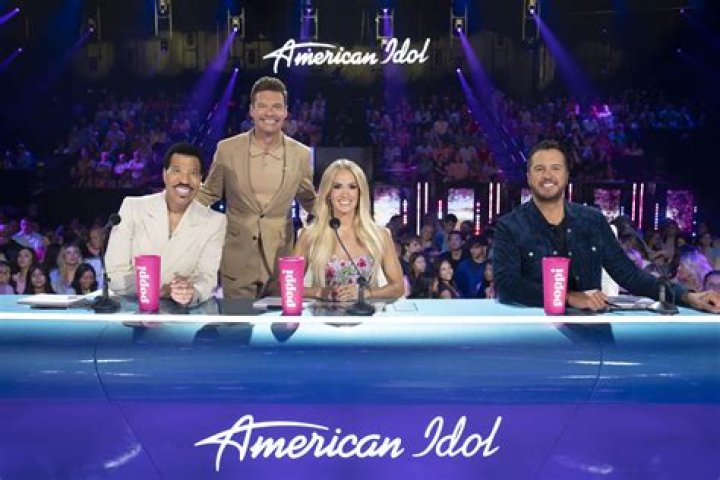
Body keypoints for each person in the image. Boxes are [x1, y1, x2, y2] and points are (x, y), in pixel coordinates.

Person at [492, 139, 720, 313]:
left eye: (555, 168)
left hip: (592, 333)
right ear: (529, 177)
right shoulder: (509, 226)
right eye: (539, 169)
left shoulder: (592, 220)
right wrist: (568, 297)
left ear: (567, 175)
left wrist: (687, 297)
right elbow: (507, 285)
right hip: (533, 332)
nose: (547, 175)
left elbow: (629, 275)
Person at [196, 76, 316, 299]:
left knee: (280, 321)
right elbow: (209, 193)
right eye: (262, 106)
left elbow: (309, 199)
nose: (270, 113)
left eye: (276, 106)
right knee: (238, 321)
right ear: (251, 110)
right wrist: (171, 206)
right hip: (238, 262)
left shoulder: (301, 154)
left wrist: (342, 212)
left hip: (281, 264)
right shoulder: (227, 149)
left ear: (285, 112)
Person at [106, 143, 227, 305]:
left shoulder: (214, 221)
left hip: (181, 313)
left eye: (193, 173)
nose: (185, 180)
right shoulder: (133, 208)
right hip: (131, 308)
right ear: (165, 174)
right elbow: (114, 274)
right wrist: (159, 290)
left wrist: (190, 293)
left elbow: (207, 278)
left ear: (200, 180)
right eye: (177, 171)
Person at [293, 159, 404, 302]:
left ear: (360, 193)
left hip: (366, 312)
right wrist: (321, 292)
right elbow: (290, 287)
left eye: (352, 187)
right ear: (328, 193)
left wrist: (364, 293)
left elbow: (398, 287)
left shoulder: (379, 235)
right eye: (337, 187)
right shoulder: (309, 236)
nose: (345, 194)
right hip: (323, 313)